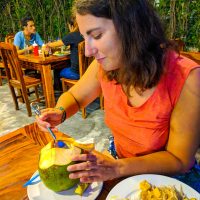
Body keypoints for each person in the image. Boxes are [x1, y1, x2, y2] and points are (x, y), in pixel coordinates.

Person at [36, 0, 200, 192]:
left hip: (169, 178)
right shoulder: (104, 65)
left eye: (96, 35)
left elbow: (179, 159)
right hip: (119, 161)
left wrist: (118, 167)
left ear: (132, 27)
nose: (88, 51)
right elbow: (75, 96)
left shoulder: (188, 78)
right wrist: (60, 112)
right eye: (84, 37)